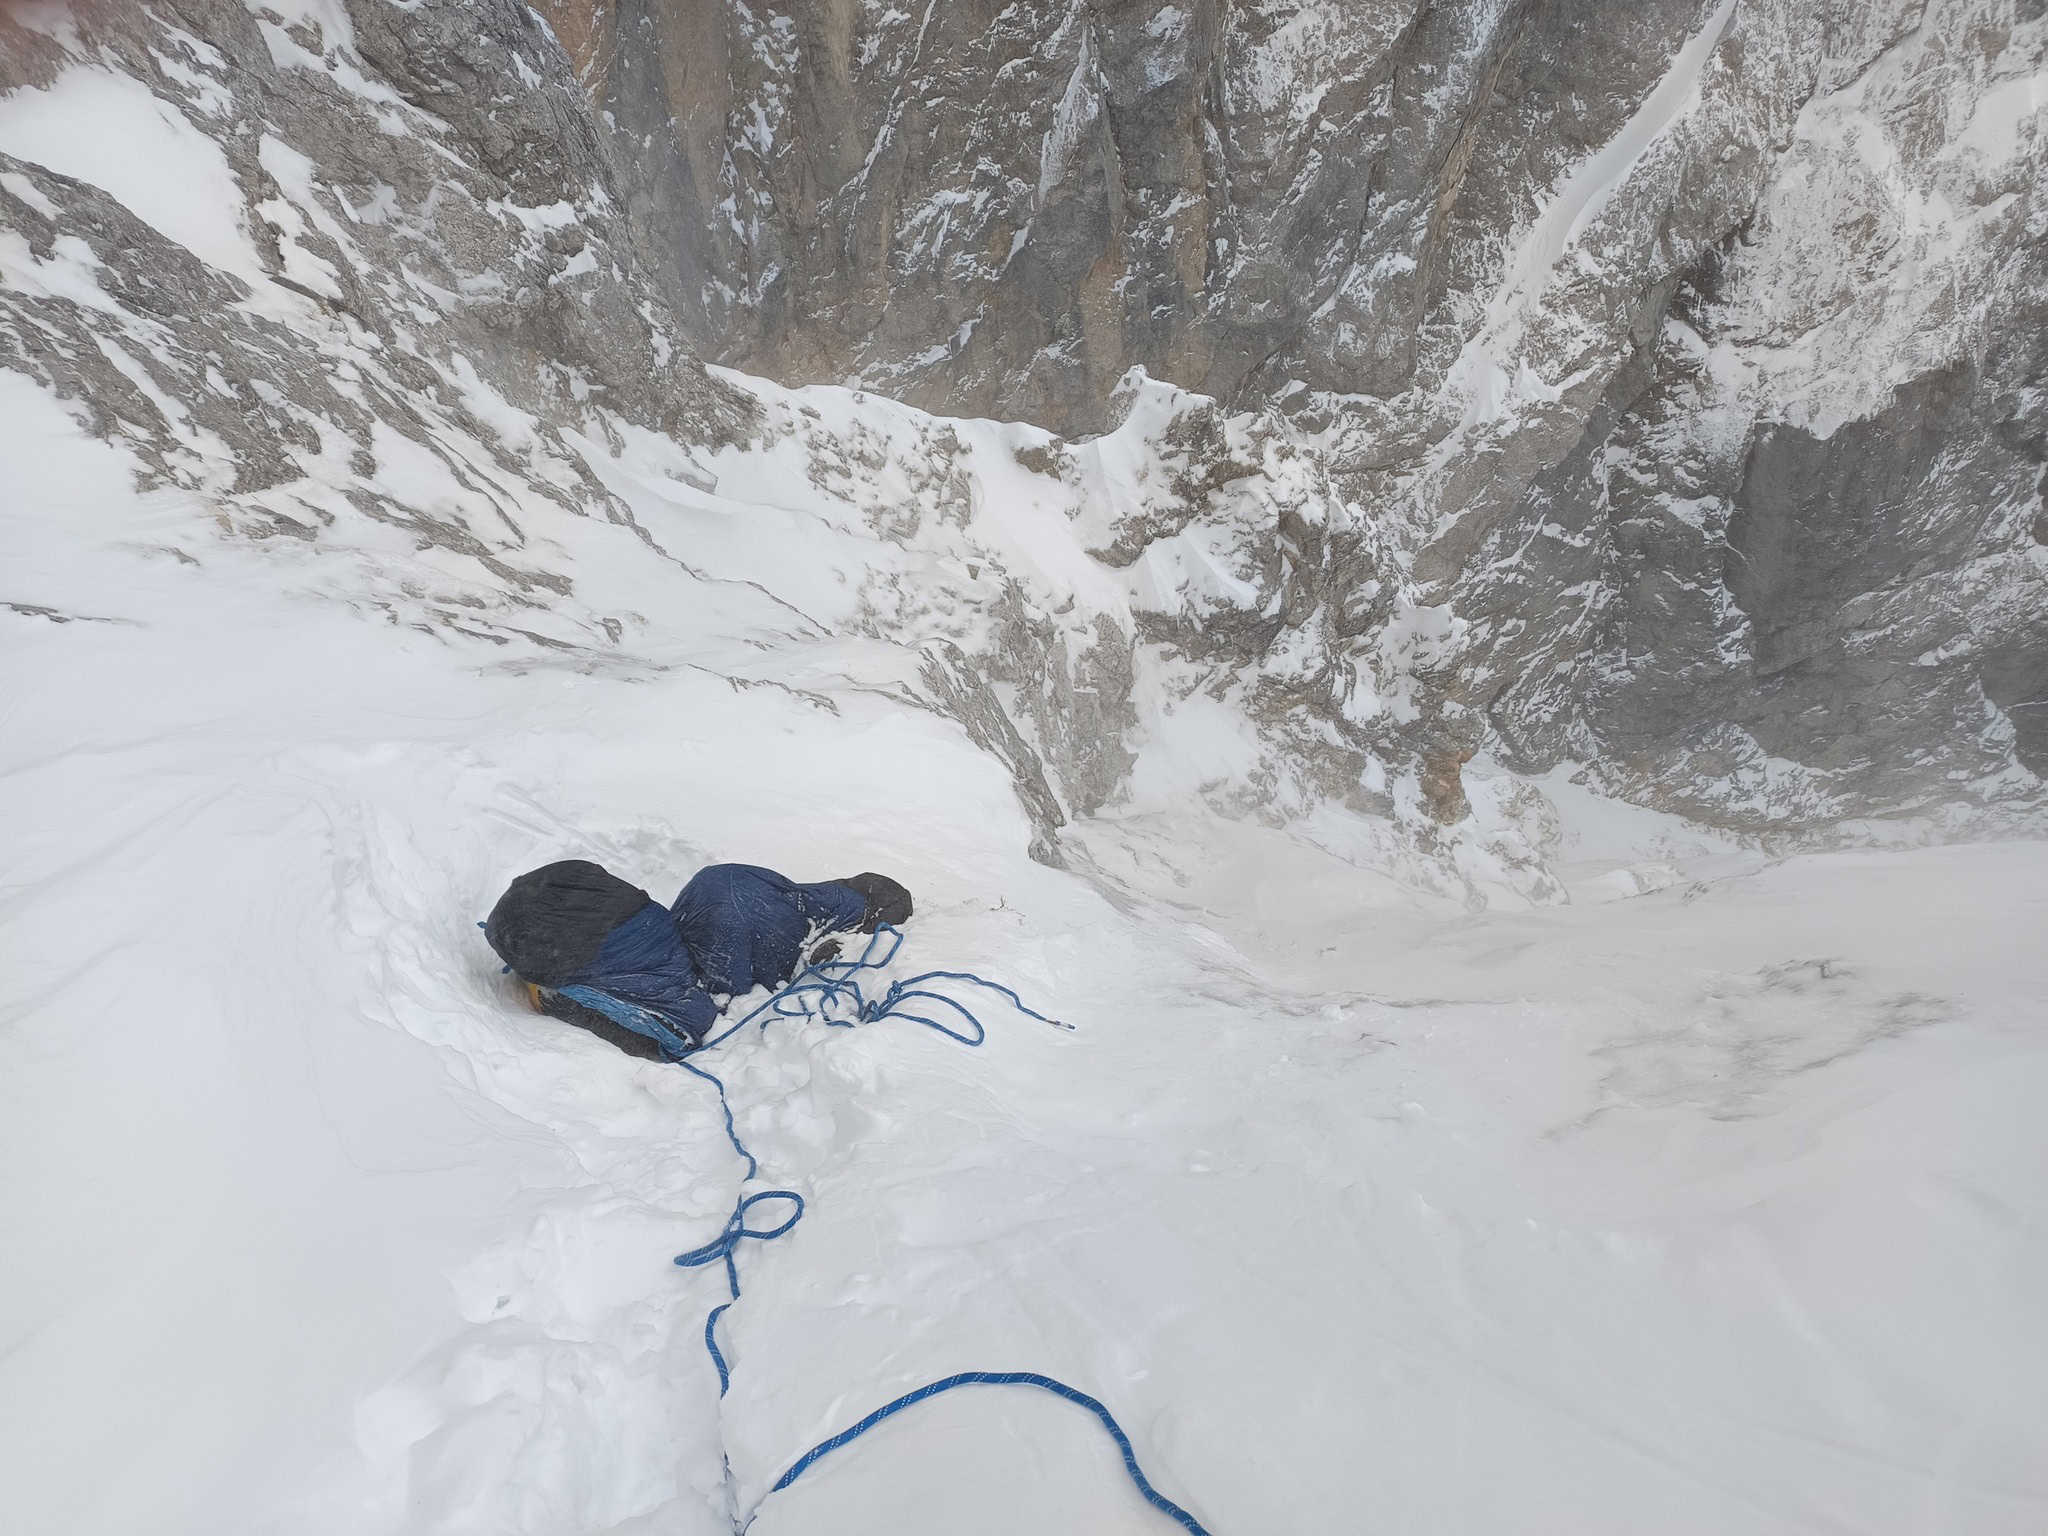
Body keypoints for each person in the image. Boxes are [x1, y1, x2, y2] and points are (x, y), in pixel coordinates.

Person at [484, 860, 913, 1060]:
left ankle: (828, 914)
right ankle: (832, 916)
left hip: (586, 931)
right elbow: (682, 1030)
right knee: (730, 900)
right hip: (612, 937)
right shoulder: (672, 999)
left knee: (727, 895)